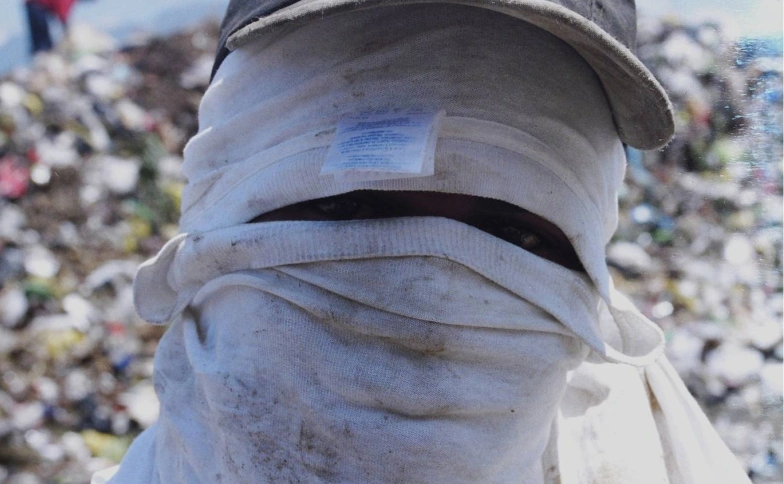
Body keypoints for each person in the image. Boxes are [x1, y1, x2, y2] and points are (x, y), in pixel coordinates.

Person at [94, 0, 753, 482]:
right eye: (353, 211)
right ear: (218, 222)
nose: (435, 290)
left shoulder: (651, 459)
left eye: (513, 236)